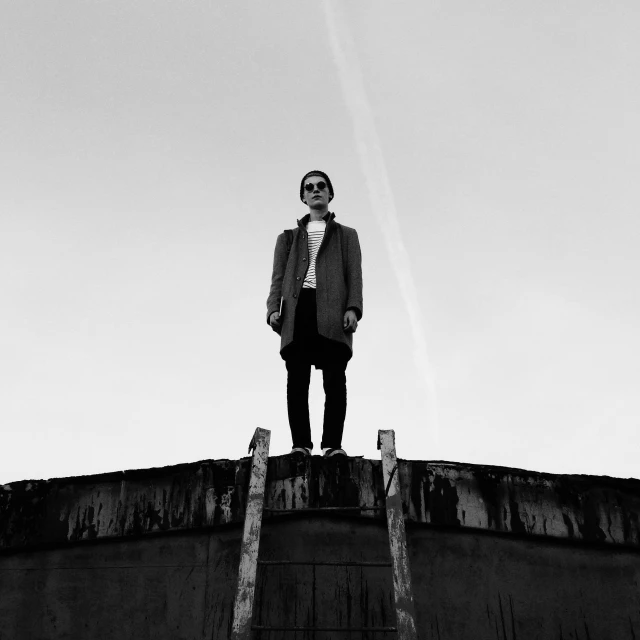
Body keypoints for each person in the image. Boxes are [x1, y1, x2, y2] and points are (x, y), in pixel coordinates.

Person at [266, 170, 363, 458]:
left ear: (330, 193)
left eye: (321, 186)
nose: (315, 190)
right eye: (309, 187)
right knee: (297, 379)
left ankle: (332, 445)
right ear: (303, 197)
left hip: (332, 308)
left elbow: (354, 275)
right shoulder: (287, 238)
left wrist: (353, 308)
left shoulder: (347, 235)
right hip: (298, 310)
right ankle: (301, 445)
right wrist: (273, 309)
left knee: (335, 379)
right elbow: (277, 278)